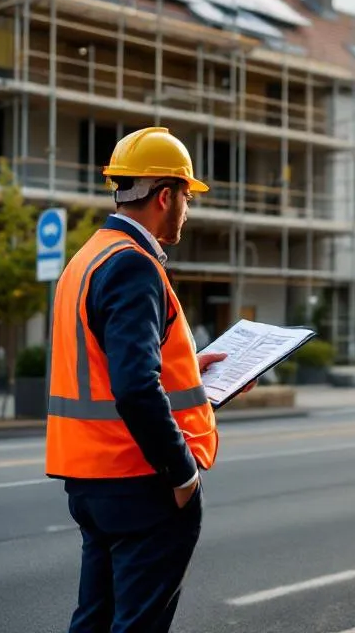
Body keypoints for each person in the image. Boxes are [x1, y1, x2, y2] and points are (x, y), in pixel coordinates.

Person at [45, 126, 255, 633]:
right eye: (187, 195)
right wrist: (181, 474)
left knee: (94, 621)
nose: (188, 207)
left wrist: (194, 375)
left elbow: (110, 371)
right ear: (165, 196)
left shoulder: (87, 257)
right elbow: (135, 386)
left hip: (93, 478)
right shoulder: (133, 267)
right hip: (141, 480)